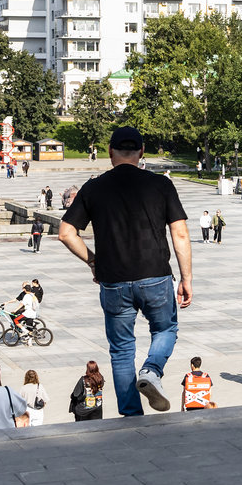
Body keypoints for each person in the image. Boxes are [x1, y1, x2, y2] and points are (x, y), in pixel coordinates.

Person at [59, 126, 193, 417]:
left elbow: (66, 232)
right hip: (155, 275)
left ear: (110, 153)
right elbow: (180, 233)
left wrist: (93, 261)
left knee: (121, 350)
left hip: (113, 281)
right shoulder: (160, 185)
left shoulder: (93, 187)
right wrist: (186, 278)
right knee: (166, 329)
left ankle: (131, 414)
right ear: (142, 152)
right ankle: (151, 370)